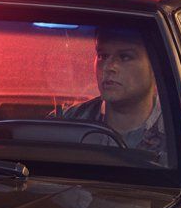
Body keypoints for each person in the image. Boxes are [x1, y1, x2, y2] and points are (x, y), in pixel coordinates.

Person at [50, 28, 168, 164]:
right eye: (103, 56)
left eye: (125, 57)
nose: (109, 67)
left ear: (156, 66)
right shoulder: (66, 124)